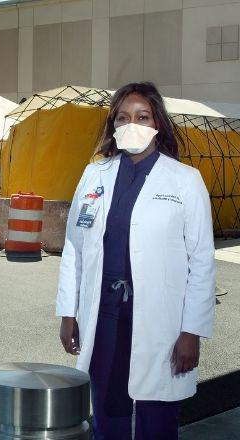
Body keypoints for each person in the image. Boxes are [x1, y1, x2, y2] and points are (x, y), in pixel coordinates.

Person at [56, 82, 215, 439]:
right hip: (105, 316)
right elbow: (75, 248)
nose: (133, 124)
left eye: (142, 116)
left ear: (158, 122)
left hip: (162, 322)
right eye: (124, 117)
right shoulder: (94, 175)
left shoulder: (185, 182)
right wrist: (69, 313)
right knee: (107, 414)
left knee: (156, 419)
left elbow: (202, 262)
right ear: (113, 125)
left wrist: (192, 332)